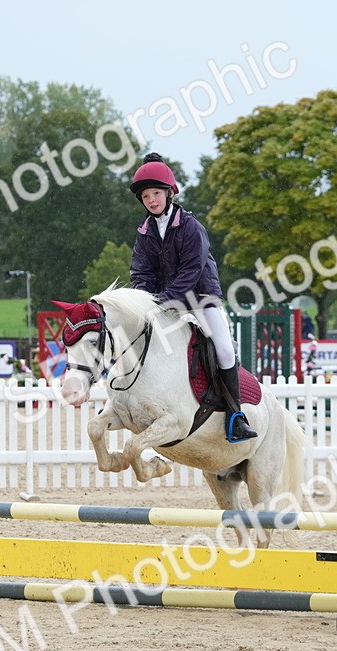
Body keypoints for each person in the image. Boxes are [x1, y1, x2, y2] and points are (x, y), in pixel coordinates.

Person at [127, 152, 257, 441]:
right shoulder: (145, 233)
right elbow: (141, 272)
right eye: (146, 196)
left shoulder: (190, 226)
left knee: (224, 349)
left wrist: (163, 300)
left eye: (156, 193)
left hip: (199, 297)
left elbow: (191, 272)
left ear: (169, 193)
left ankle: (235, 415)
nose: (151, 200)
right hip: (164, 301)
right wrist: (143, 299)